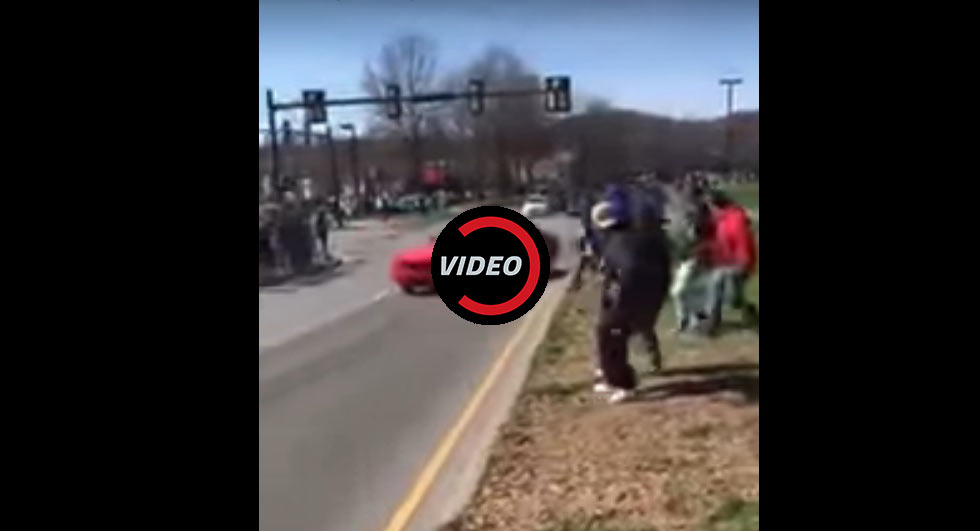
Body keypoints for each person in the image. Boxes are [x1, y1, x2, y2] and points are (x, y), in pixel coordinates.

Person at [590, 184, 671, 404]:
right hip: (636, 296)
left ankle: (623, 384)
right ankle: (612, 377)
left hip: (632, 299)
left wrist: (618, 297)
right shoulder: (625, 239)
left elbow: (629, 272)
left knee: (611, 335)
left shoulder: (623, 242)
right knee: (608, 335)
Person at [703, 190, 758, 334]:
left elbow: (743, 241)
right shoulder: (720, 219)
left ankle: (749, 314)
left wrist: (742, 263)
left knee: (731, 296)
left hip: (740, 262)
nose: (709, 209)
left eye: (710, 205)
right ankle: (712, 322)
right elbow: (718, 242)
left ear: (717, 205)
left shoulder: (735, 218)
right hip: (726, 263)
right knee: (718, 285)